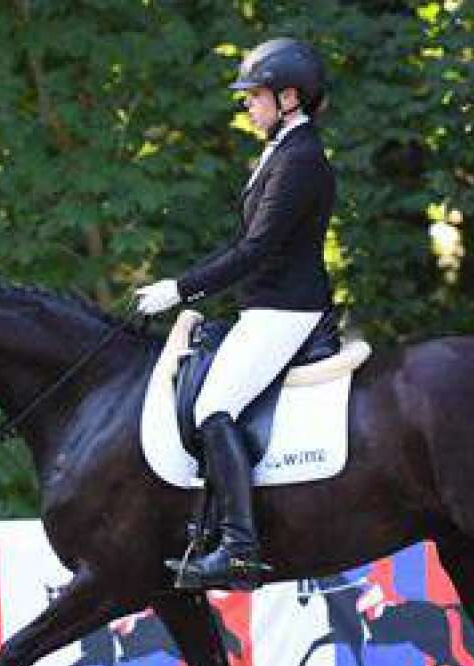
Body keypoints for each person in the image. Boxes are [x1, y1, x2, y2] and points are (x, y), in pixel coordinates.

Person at [136, 37, 336, 590]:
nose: (247, 105)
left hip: (285, 309)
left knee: (214, 406)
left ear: (289, 97)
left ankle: (240, 550)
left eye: (255, 96)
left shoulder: (301, 159)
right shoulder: (281, 152)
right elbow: (244, 245)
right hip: (266, 306)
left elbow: (255, 251)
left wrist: (180, 288)